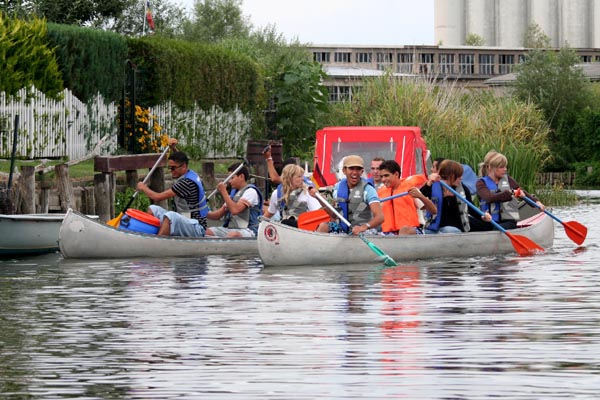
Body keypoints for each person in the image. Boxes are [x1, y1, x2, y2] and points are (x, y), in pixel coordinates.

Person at [136, 139, 209, 237]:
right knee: (153, 209)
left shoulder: (186, 183)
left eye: (173, 168)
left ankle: (157, 243)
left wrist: (143, 187)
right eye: (169, 168)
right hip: (185, 220)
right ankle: (147, 235)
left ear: (183, 167)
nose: (171, 171)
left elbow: (157, 197)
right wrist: (173, 149)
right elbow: (181, 159)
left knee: (170, 216)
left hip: (197, 228)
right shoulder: (188, 172)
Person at [315, 155, 384, 235]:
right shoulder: (337, 188)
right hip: (343, 229)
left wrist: (363, 227)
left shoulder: (368, 189)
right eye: (351, 168)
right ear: (344, 170)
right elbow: (334, 216)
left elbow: (380, 217)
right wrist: (320, 199)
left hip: (363, 230)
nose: (354, 172)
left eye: (358, 169)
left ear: (362, 172)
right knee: (323, 226)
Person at [476, 151, 545, 230]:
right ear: (490, 167)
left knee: (497, 228)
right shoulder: (481, 183)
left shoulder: (508, 180)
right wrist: (510, 193)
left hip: (508, 222)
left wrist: (536, 202)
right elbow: (489, 198)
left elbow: (522, 192)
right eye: (501, 167)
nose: (505, 169)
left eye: (505, 167)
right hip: (488, 221)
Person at [421, 159, 491, 234]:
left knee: (451, 230)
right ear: (450, 175)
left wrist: (482, 216)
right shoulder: (432, 186)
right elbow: (419, 198)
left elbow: (471, 208)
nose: (461, 178)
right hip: (434, 229)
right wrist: (428, 184)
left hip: (456, 229)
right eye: (459, 176)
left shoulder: (463, 189)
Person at [377, 160, 437, 235]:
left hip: (412, 230)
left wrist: (421, 196)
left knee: (404, 230)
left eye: (386, 176)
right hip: (389, 233)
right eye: (381, 176)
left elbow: (434, 211)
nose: (383, 179)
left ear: (396, 174)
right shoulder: (381, 192)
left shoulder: (410, 189)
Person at [205, 162, 263, 238]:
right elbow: (218, 215)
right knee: (206, 232)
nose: (229, 181)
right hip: (231, 228)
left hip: (249, 230)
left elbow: (235, 210)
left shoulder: (251, 192)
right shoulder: (232, 195)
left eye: (232, 178)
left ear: (241, 176)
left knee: (233, 235)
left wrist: (223, 191)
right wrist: (202, 211)